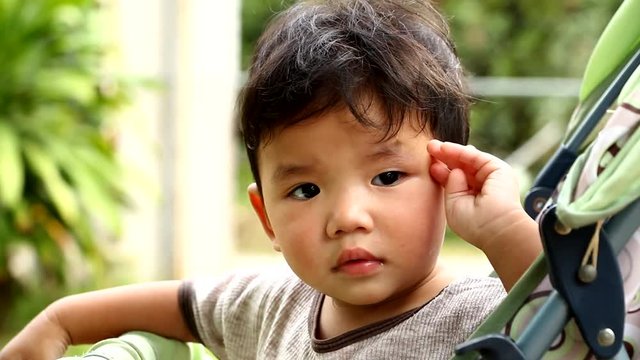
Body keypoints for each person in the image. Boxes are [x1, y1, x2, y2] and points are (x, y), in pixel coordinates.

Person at [0, 0, 542, 359]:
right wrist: (60, 321)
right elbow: (185, 303)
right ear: (267, 218)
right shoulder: (278, 304)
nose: (348, 217)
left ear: (448, 181)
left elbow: (593, 335)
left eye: (387, 176)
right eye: (305, 190)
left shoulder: (484, 313)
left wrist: (505, 232)